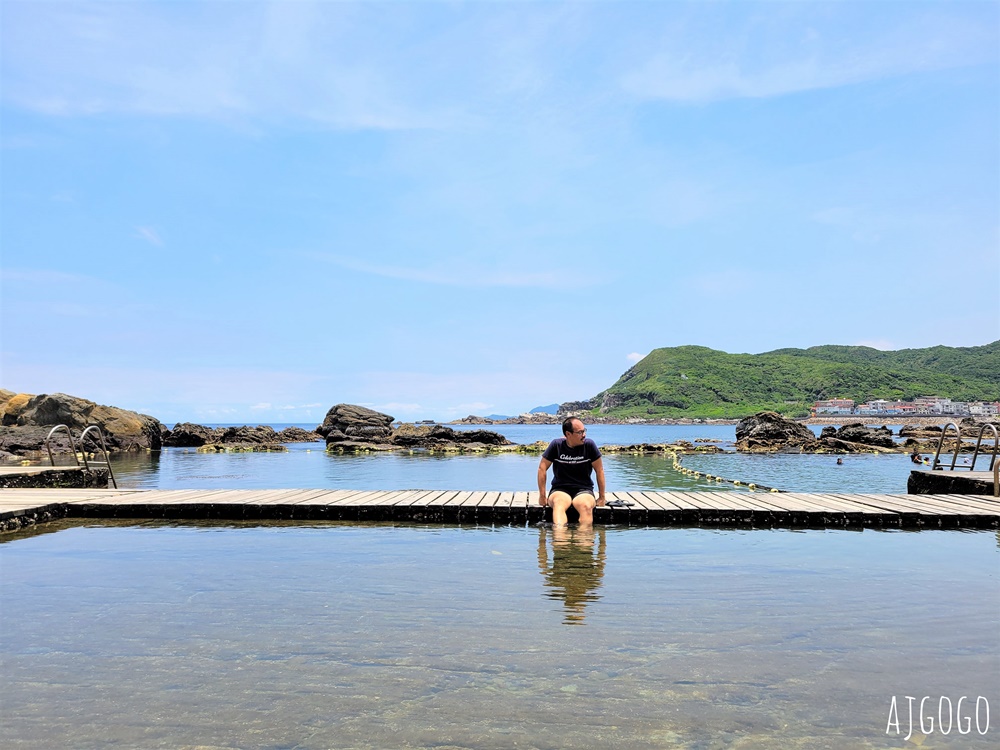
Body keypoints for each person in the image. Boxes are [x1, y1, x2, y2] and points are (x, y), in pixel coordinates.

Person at [537, 417, 606, 525]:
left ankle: (584, 539)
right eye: (580, 432)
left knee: (586, 506)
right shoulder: (556, 445)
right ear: (568, 434)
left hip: (584, 489)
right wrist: (542, 496)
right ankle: (560, 539)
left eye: (584, 431)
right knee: (558, 504)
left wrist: (602, 497)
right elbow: (542, 468)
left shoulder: (589, 445)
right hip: (560, 489)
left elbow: (599, 470)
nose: (584, 435)